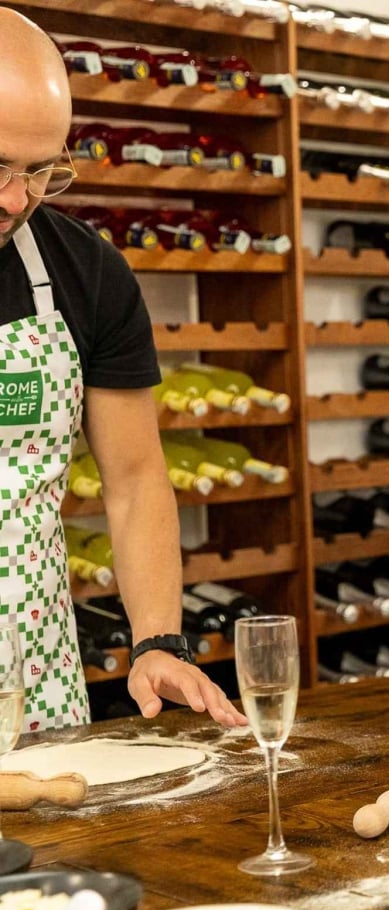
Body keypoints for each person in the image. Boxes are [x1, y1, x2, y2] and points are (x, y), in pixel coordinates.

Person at [0, 8, 244, 729]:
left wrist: (158, 640)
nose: (15, 198)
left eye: (40, 171)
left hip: (37, 688)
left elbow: (135, 479)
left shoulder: (89, 273)